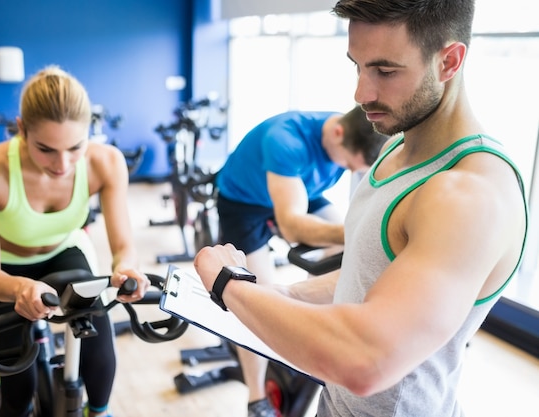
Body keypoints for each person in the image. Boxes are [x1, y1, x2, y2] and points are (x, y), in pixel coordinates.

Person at [193, 1, 528, 416]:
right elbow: (369, 272)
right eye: (358, 66)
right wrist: (283, 294)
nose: (361, 94)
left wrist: (230, 285)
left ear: (450, 61)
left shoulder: (470, 194)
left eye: (385, 71)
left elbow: (366, 361)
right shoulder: (393, 150)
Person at [0, 66, 150, 417]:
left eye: (75, 147)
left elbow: (124, 247)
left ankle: (100, 411)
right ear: (21, 130)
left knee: (98, 347)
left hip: (64, 253)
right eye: (46, 149)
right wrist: (20, 289)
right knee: (19, 386)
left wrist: (126, 268)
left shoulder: (105, 162)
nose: (62, 164)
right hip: (6, 269)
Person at [214, 107, 388, 417]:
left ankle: (306, 320)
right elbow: (292, 225)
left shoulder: (355, 133)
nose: (348, 171)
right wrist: (358, 231)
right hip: (245, 202)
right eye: (347, 164)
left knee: (351, 252)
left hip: (303, 190)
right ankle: (256, 399)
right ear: (337, 133)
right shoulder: (286, 139)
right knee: (255, 297)